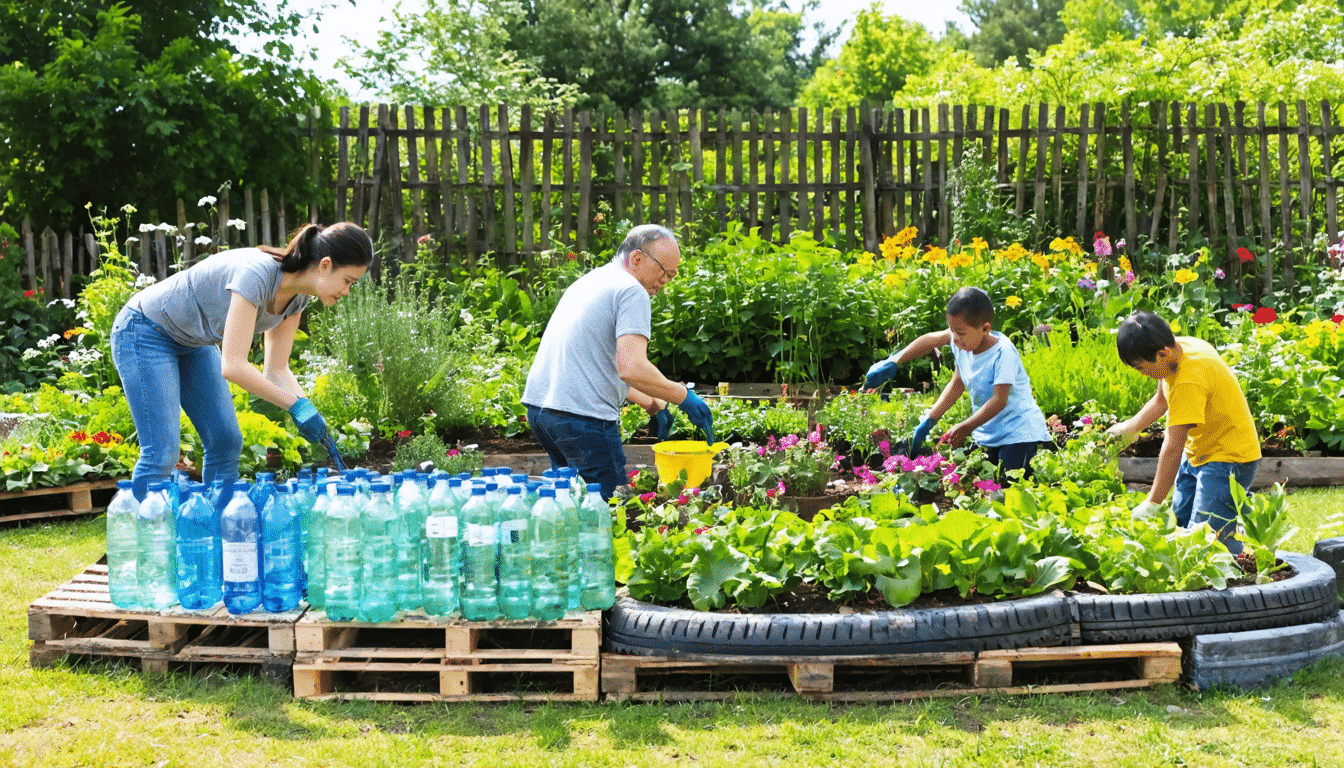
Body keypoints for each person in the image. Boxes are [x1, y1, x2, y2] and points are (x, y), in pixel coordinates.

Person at [111, 222, 374, 500]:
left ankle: (223, 529)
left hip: (193, 343)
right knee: (162, 451)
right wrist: (294, 405)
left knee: (226, 441)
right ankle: (151, 538)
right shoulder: (257, 274)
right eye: (348, 281)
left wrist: (307, 409)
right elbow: (233, 365)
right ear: (325, 264)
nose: (347, 291)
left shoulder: (297, 300)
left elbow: (277, 369)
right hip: (145, 331)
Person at [521, 224, 715, 499]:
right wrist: (684, 396)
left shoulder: (592, 281)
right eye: (663, 272)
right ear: (636, 259)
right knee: (609, 512)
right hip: (582, 420)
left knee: (570, 505)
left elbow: (598, 364)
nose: (664, 282)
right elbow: (632, 368)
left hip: (543, 413)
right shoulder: (631, 290)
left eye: (672, 276)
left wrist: (651, 402)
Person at [1106, 311, 1260, 553]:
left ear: (1162, 354)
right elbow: (1161, 400)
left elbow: (1173, 445)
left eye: (1141, 368)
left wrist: (1153, 502)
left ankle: (1233, 577)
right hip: (1201, 451)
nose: (1141, 373)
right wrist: (1131, 427)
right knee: (1180, 524)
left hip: (1229, 458)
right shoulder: (1180, 350)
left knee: (1207, 543)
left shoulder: (1190, 377)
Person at [865, 287, 1050, 478]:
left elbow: (999, 400)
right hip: (988, 435)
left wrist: (965, 427)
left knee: (1011, 480)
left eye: (959, 332)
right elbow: (951, 372)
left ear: (985, 328)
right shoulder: (964, 341)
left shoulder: (1003, 353)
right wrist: (895, 360)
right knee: (973, 478)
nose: (954, 338)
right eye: (951, 330)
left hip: (1019, 433)